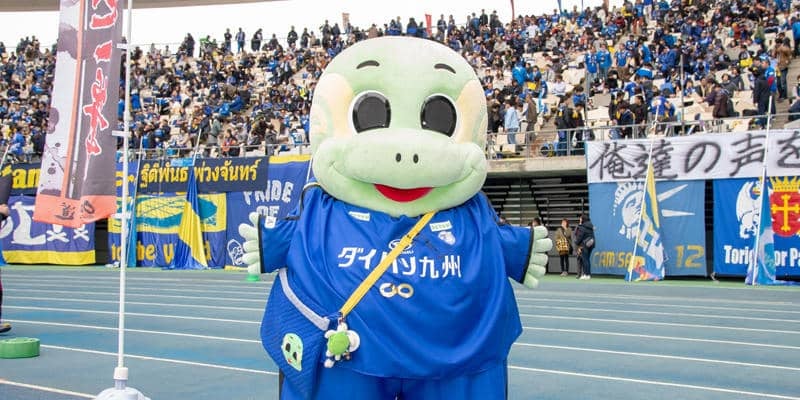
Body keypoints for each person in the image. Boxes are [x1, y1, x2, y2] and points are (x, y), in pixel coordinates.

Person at [573, 214, 595, 280]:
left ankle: (586, 275)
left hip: (584, 245)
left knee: (585, 259)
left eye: (580, 219)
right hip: (591, 244)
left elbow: (580, 237)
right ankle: (588, 274)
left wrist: (576, 242)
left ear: (583, 219)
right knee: (587, 259)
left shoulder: (582, 227)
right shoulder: (590, 226)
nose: (580, 220)